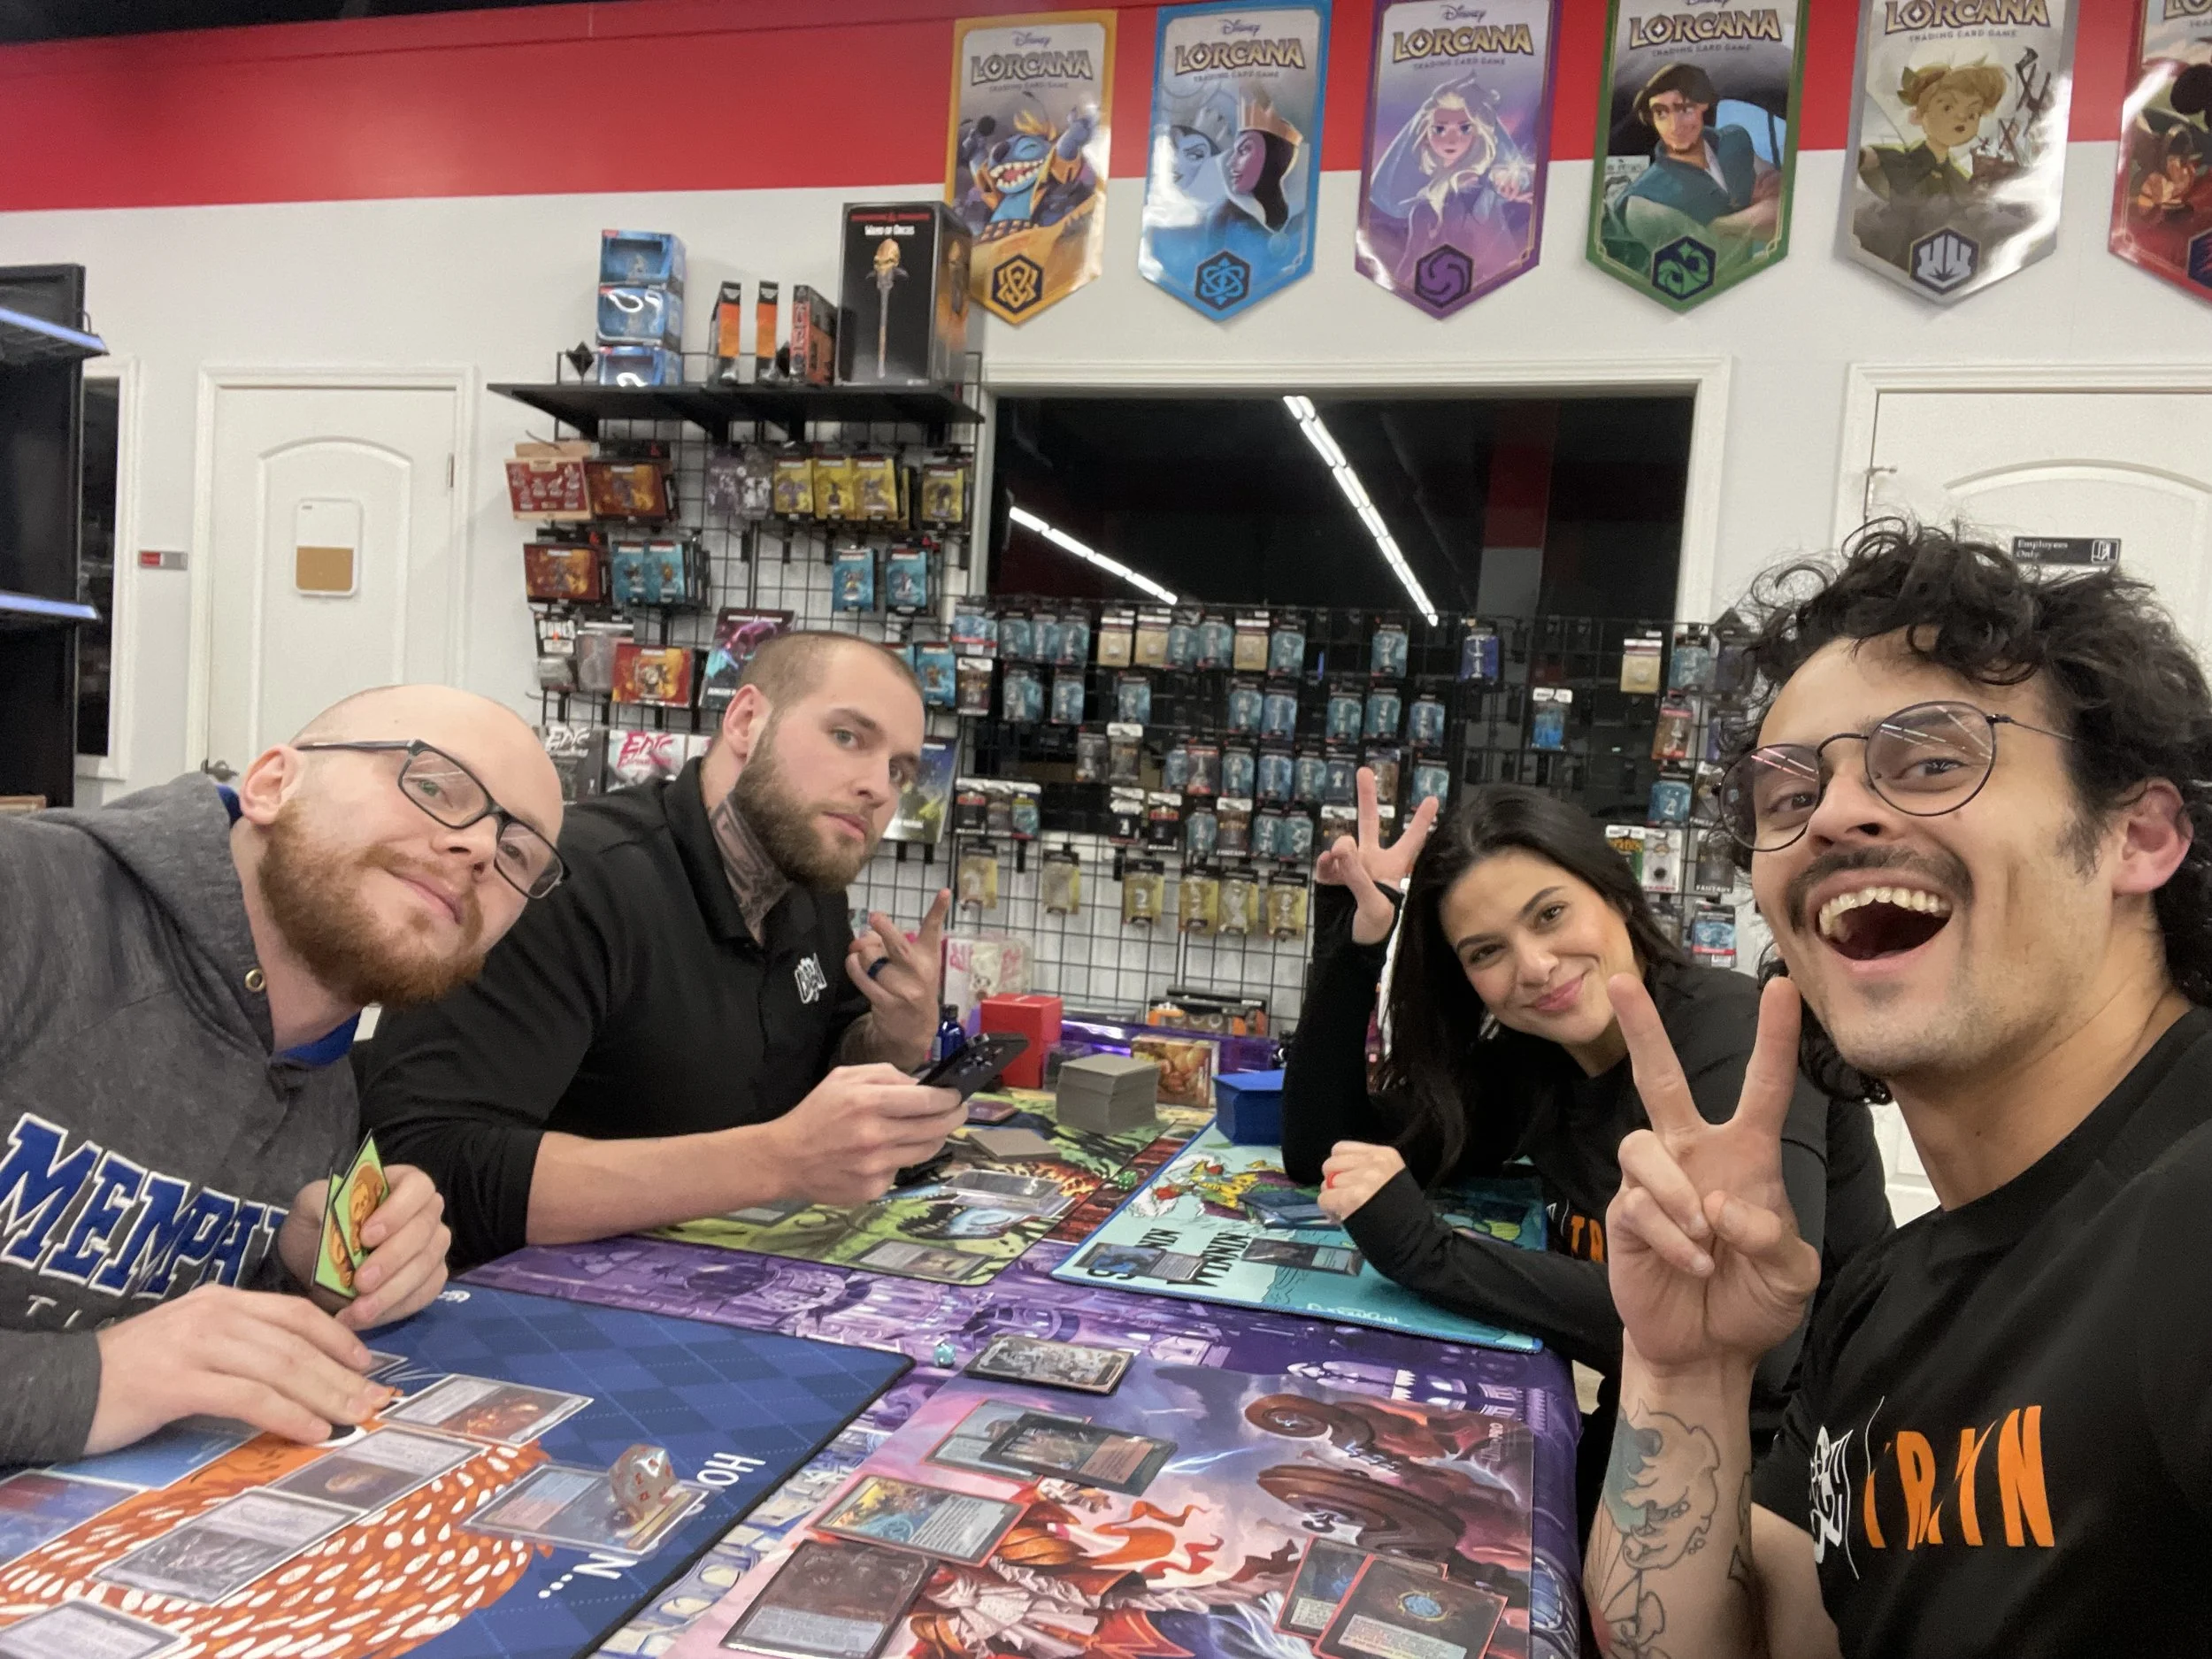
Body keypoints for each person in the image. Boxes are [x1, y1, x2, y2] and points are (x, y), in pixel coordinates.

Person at [1581, 522, 2212, 1657]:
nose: (1827, 815)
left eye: (1928, 761)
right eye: (1785, 797)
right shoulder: (1881, 1304)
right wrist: (1687, 1369)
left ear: (2139, 834)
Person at [1285, 773, 1891, 1519]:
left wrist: (1431, 1254)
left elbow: (1753, 1349)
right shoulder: (1538, 1061)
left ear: (1615, 892)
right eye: (1486, 952)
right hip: (1644, 1434)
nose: (1534, 966)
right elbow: (1324, 1147)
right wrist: (1353, 941)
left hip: (1807, 1473)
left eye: (1551, 913)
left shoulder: (1726, 1035)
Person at [0, 683, 563, 1463]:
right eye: (435, 786)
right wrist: (92, 1379)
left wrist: (305, 1272)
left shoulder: (325, 1092)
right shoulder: (25, 897)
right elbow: (122, 1369)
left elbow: (176, 1346)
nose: (476, 849)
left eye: (518, 855)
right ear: (271, 783)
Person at [357, 631, 966, 1270]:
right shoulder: (568, 884)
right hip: (518, 1318)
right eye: (847, 737)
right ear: (746, 720)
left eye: (900, 769)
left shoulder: (808, 892)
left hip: (718, 1290)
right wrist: (776, 1160)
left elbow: (821, 1069)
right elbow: (428, 1167)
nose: (878, 786)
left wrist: (895, 1035)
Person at [1604, 62, 1781, 269]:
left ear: (1703, 105)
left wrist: (1720, 225)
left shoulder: (1735, 139)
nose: (1674, 126)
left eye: (1685, 109)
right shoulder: (1642, 200)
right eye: (1661, 113)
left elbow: (1784, 210)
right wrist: (1754, 214)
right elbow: (1709, 266)